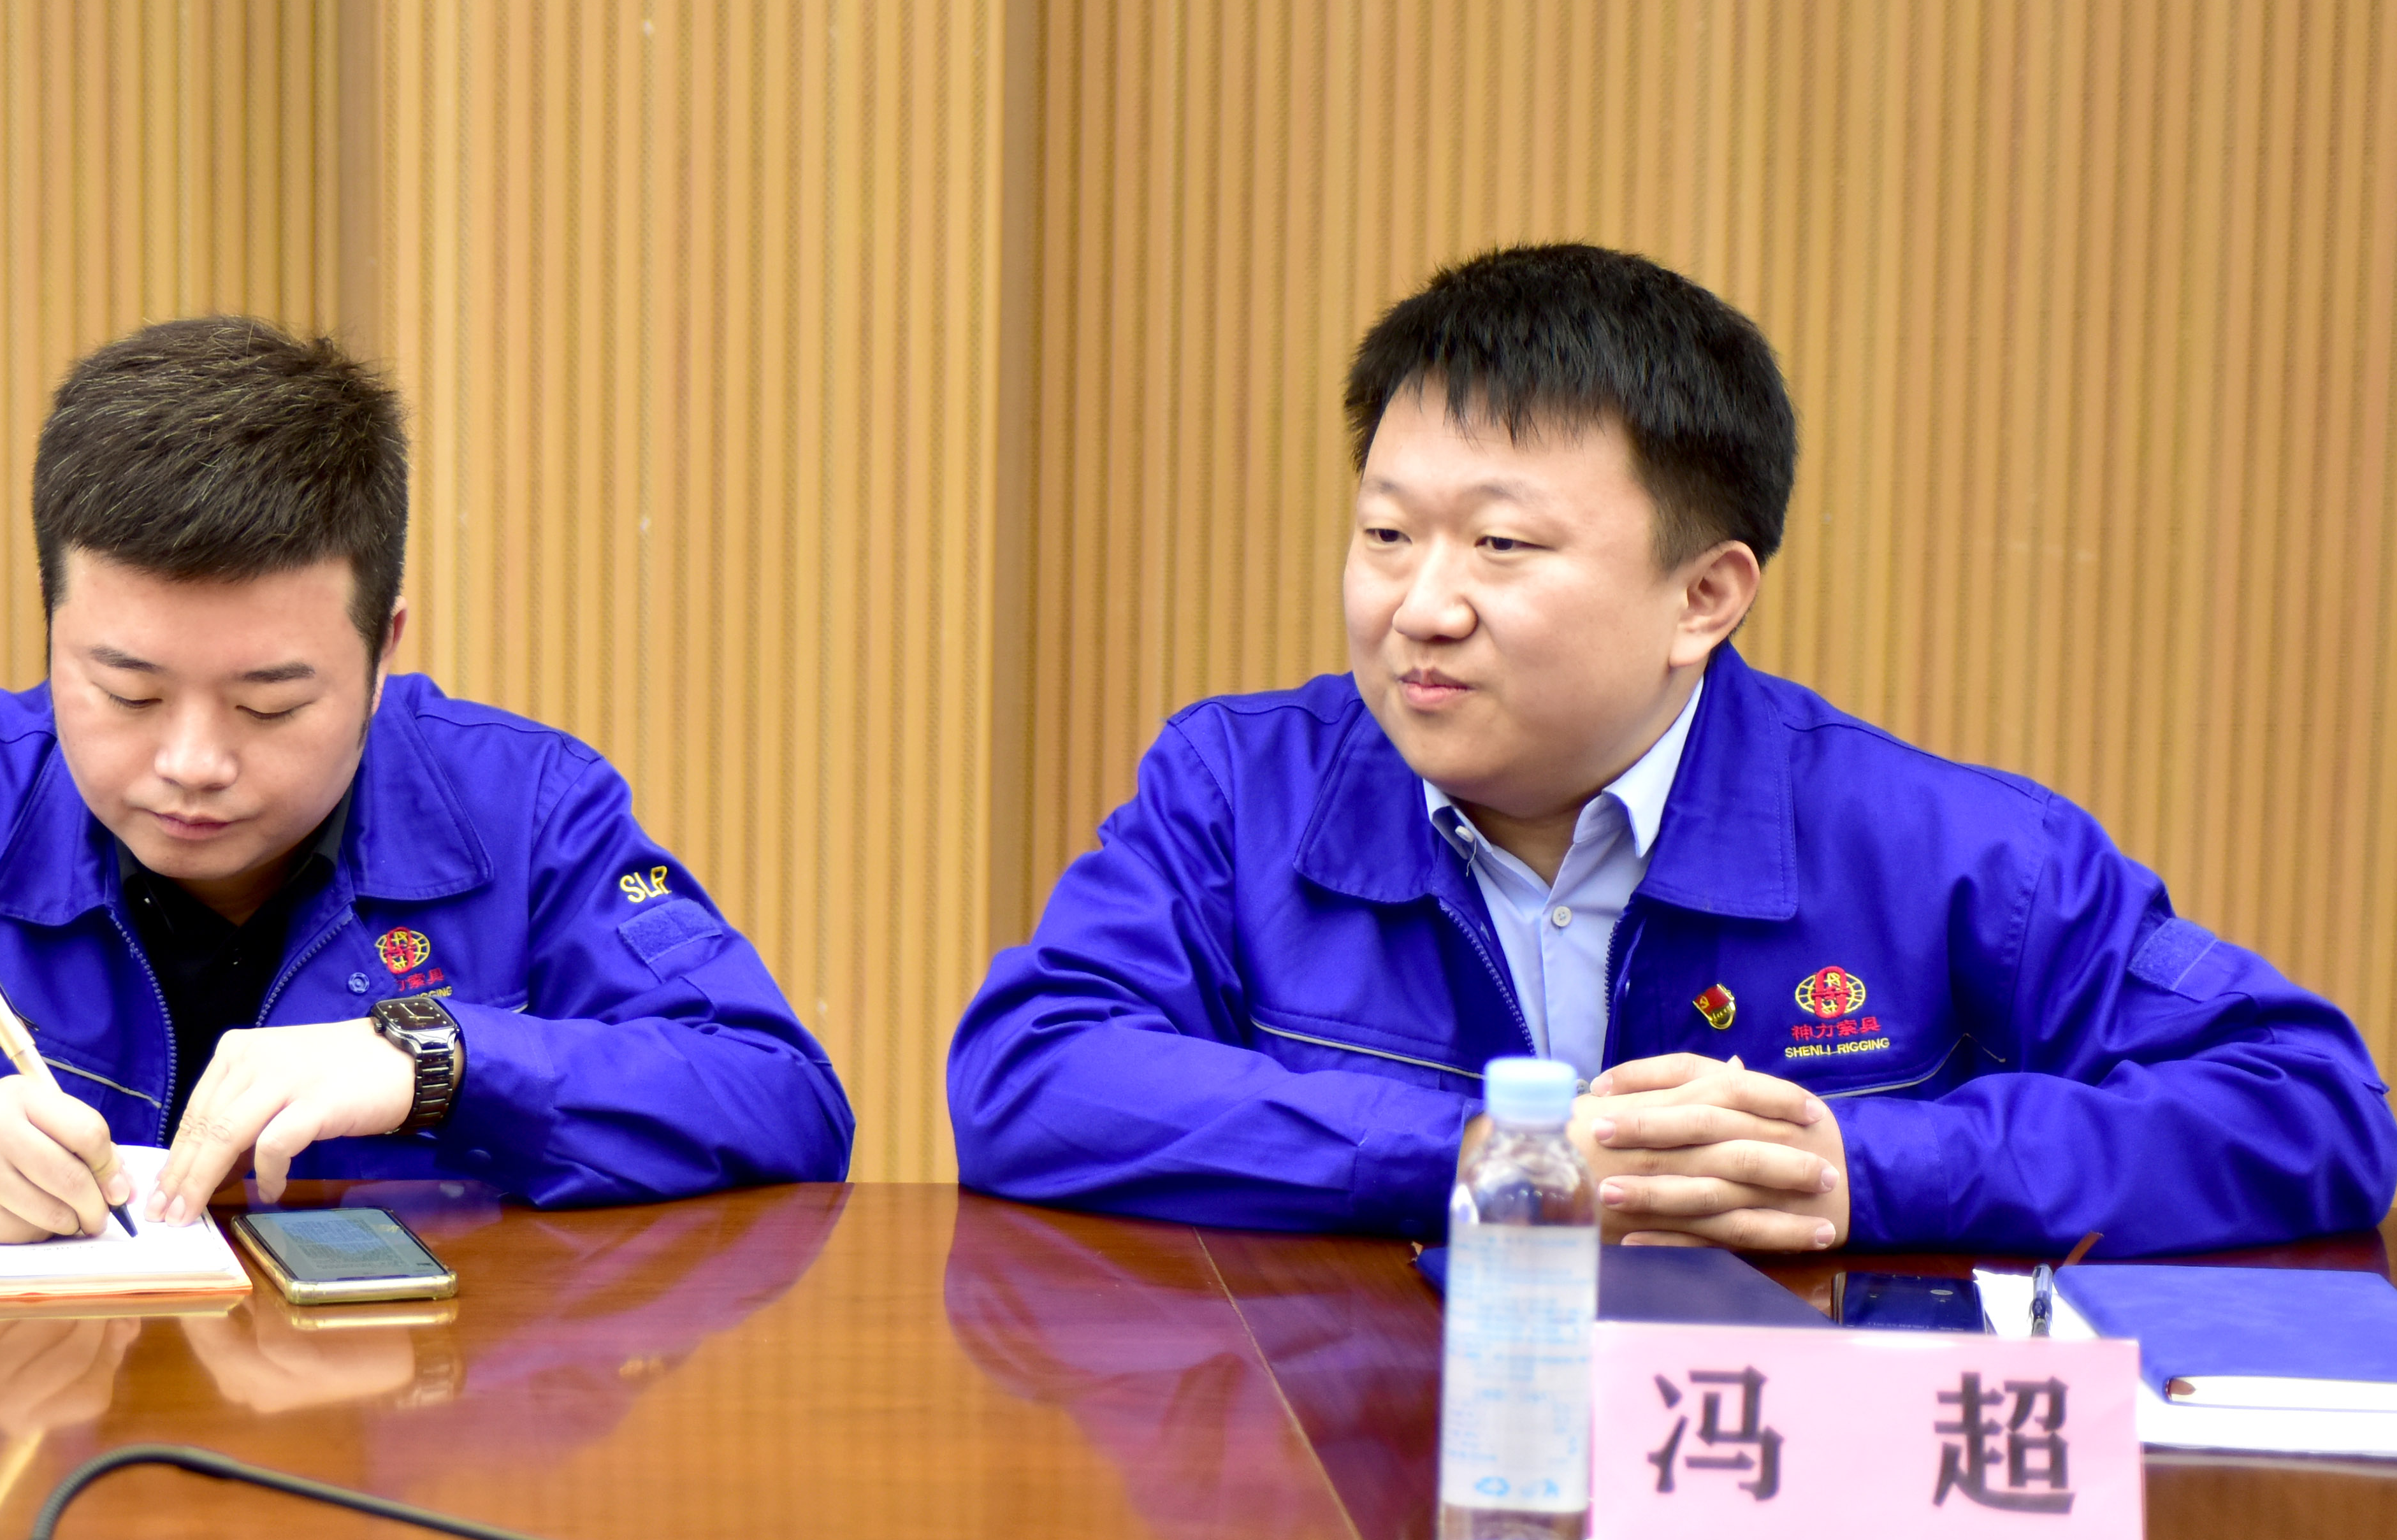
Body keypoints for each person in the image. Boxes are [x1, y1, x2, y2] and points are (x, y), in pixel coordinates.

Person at [949, 245, 2392, 1256]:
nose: (1419, 605)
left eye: (1500, 545)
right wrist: (1493, 1159)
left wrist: (1864, 1169)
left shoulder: (1944, 848)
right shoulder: (1239, 792)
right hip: (1352, 1469)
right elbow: (1030, 1076)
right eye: (1385, 533)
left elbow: (2309, 1105)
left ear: (1703, 596)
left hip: (1776, 1503)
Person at [0, 315, 853, 1242]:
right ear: (52, 630)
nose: (192, 764)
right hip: (24, 1445)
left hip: (400, 1438)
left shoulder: (528, 813)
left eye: (270, 704)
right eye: (127, 693)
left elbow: (783, 1099)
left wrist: (436, 1058)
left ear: (383, 650)